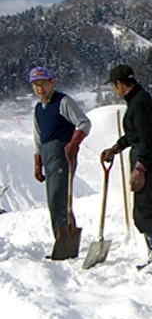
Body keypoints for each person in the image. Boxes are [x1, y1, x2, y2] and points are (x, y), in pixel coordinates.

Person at [100, 65, 152, 273]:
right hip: (146, 158)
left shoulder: (140, 103)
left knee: (146, 210)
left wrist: (140, 168)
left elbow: (149, 139)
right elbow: (135, 134)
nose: (114, 91)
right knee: (140, 211)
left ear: (120, 84)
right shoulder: (136, 101)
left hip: (149, 161)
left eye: (114, 87)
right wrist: (116, 148)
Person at [30, 66, 91, 248]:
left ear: (52, 82)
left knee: (58, 196)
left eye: (43, 84)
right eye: (35, 85)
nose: (40, 89)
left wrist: (74, 143)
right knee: (53, 198)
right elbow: (37, 138)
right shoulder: (38, 109)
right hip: (47, 154)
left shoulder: (63, 101)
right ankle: (62, 237)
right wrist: (37, 164)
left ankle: (64, 238)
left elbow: (84, 122)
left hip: (62, 151)